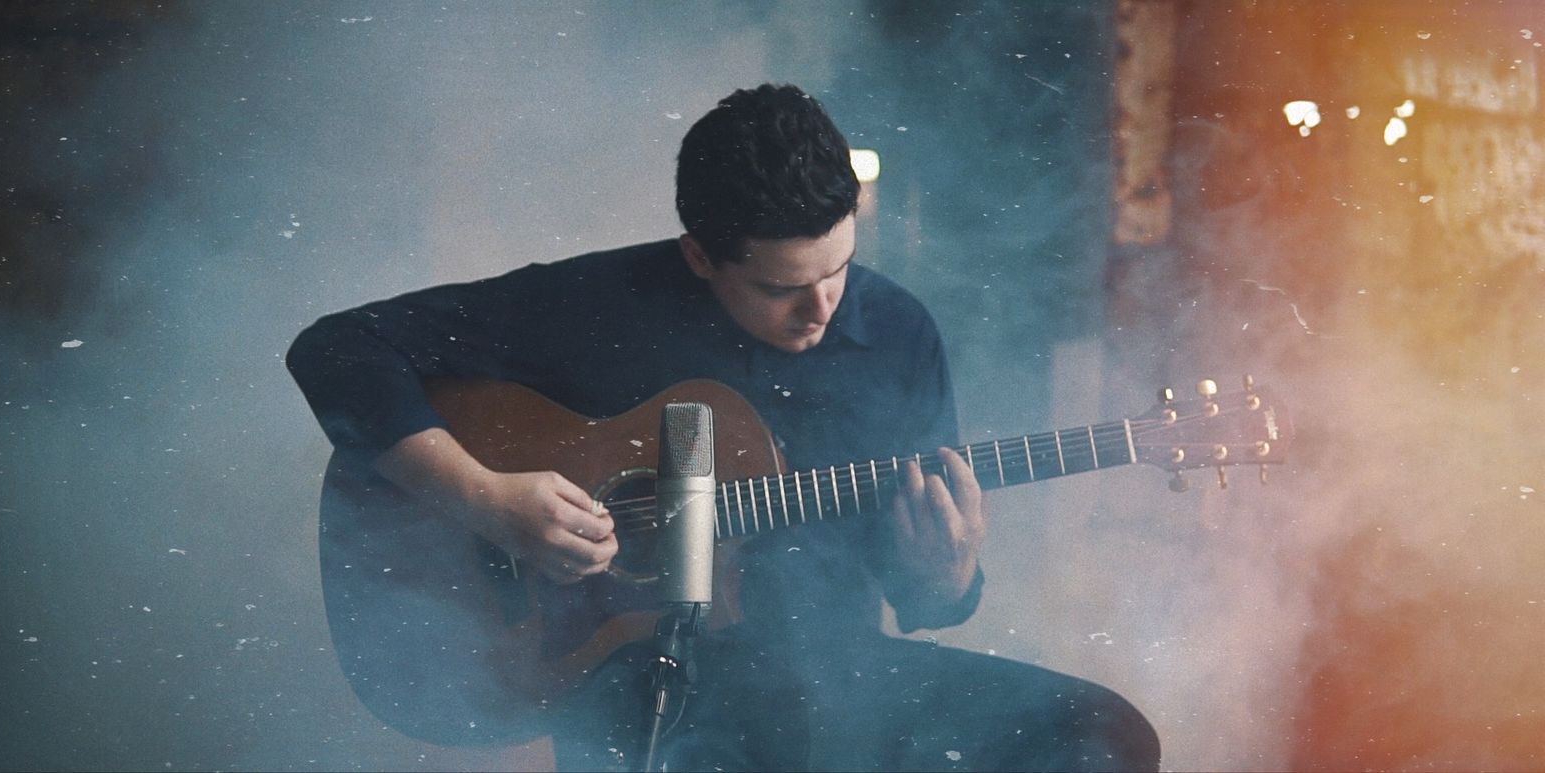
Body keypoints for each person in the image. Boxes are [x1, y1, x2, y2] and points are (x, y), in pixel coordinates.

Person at [288, 83, 1159, 772]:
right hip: (641, 691)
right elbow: (337, 348)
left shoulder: (897, 333)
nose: (822, 307)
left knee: (1104, 736)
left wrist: (948, 577)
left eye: (839, 267)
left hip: (837, 679)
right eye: (782, 287)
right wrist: (486, 500)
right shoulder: (596, 304)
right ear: (701, 254)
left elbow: (927, 599)